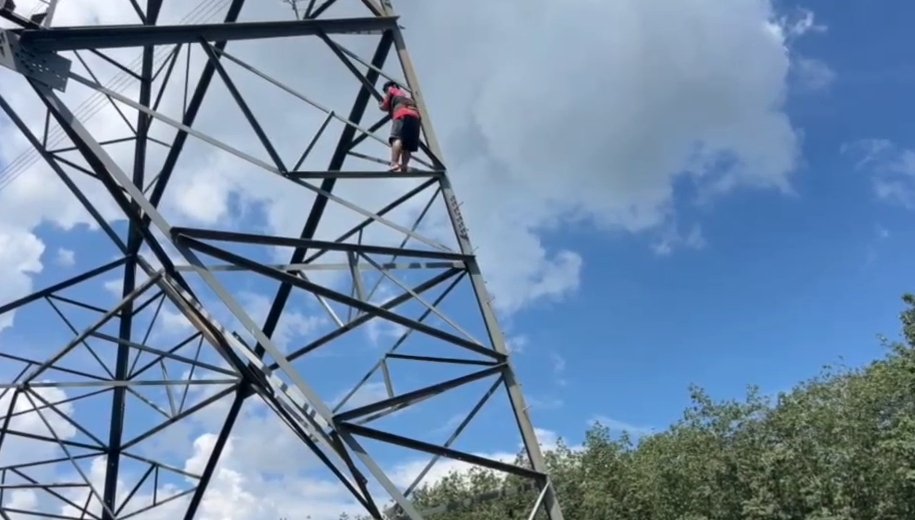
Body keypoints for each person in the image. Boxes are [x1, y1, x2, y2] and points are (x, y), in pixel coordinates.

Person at [379, 80, 421, 172]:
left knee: (397, 138)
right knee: (408, 145)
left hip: (402, 114)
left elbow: (385, 106)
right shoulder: (407, 97)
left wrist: (380, 105)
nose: (386, 93)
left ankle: (394, 163)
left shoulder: (392, 89)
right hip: (415, 116)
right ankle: (404, 166)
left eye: (386, 91)